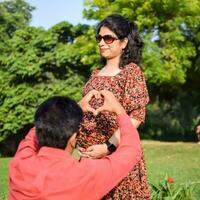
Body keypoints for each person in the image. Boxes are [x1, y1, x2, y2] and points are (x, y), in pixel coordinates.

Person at [8, 90, 142, 200]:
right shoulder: (85, 175)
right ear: (73, 138)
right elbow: (131, 150)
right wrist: (120, 110)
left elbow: (34, 134)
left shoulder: (20, 164)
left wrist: (73, 111)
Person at [76, 14, 151, 199]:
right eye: (99, 38)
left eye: (108, 38)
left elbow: (136, 117)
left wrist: (108, 146)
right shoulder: (94, 74)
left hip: (118, 156)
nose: (102, 42)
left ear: (124, 42)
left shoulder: (130, 72)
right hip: (90, 159)